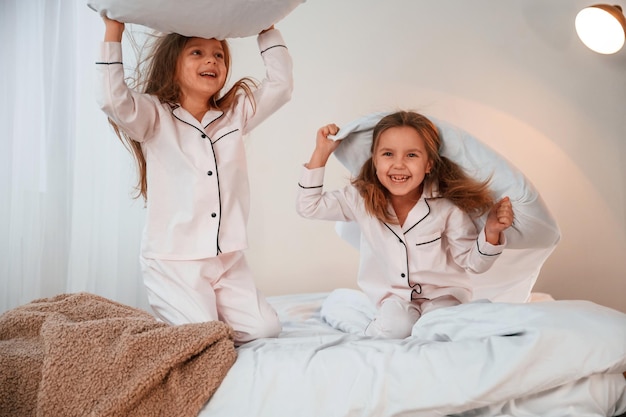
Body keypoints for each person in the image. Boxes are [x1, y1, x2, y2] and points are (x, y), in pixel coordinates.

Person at [97, 16, 293, 344]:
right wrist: (114, 31)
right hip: (175, 261)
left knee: (265, 330)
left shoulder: (235, 115)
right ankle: (180, 314)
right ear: (173, 64)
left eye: (218, 55)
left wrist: (265, 27)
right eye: (197, 53)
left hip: (227, 259)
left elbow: (281, 86)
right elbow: (112, 100)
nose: (211, 60)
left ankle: (203, 313)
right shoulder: (153, 116)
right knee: (206, 338)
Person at [296, 111, 514, 339]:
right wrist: (321, 153)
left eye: (411, 155)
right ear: (375, 159)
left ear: (428, 164)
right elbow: (308, 206)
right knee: (394, 329)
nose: (398, 165)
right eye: (388, 154)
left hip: (443, 297)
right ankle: (356, 314)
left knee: (437, 330)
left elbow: (473, 263)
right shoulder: (360, 198)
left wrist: (491, 233)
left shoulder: (447, 207)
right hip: (394, 298)